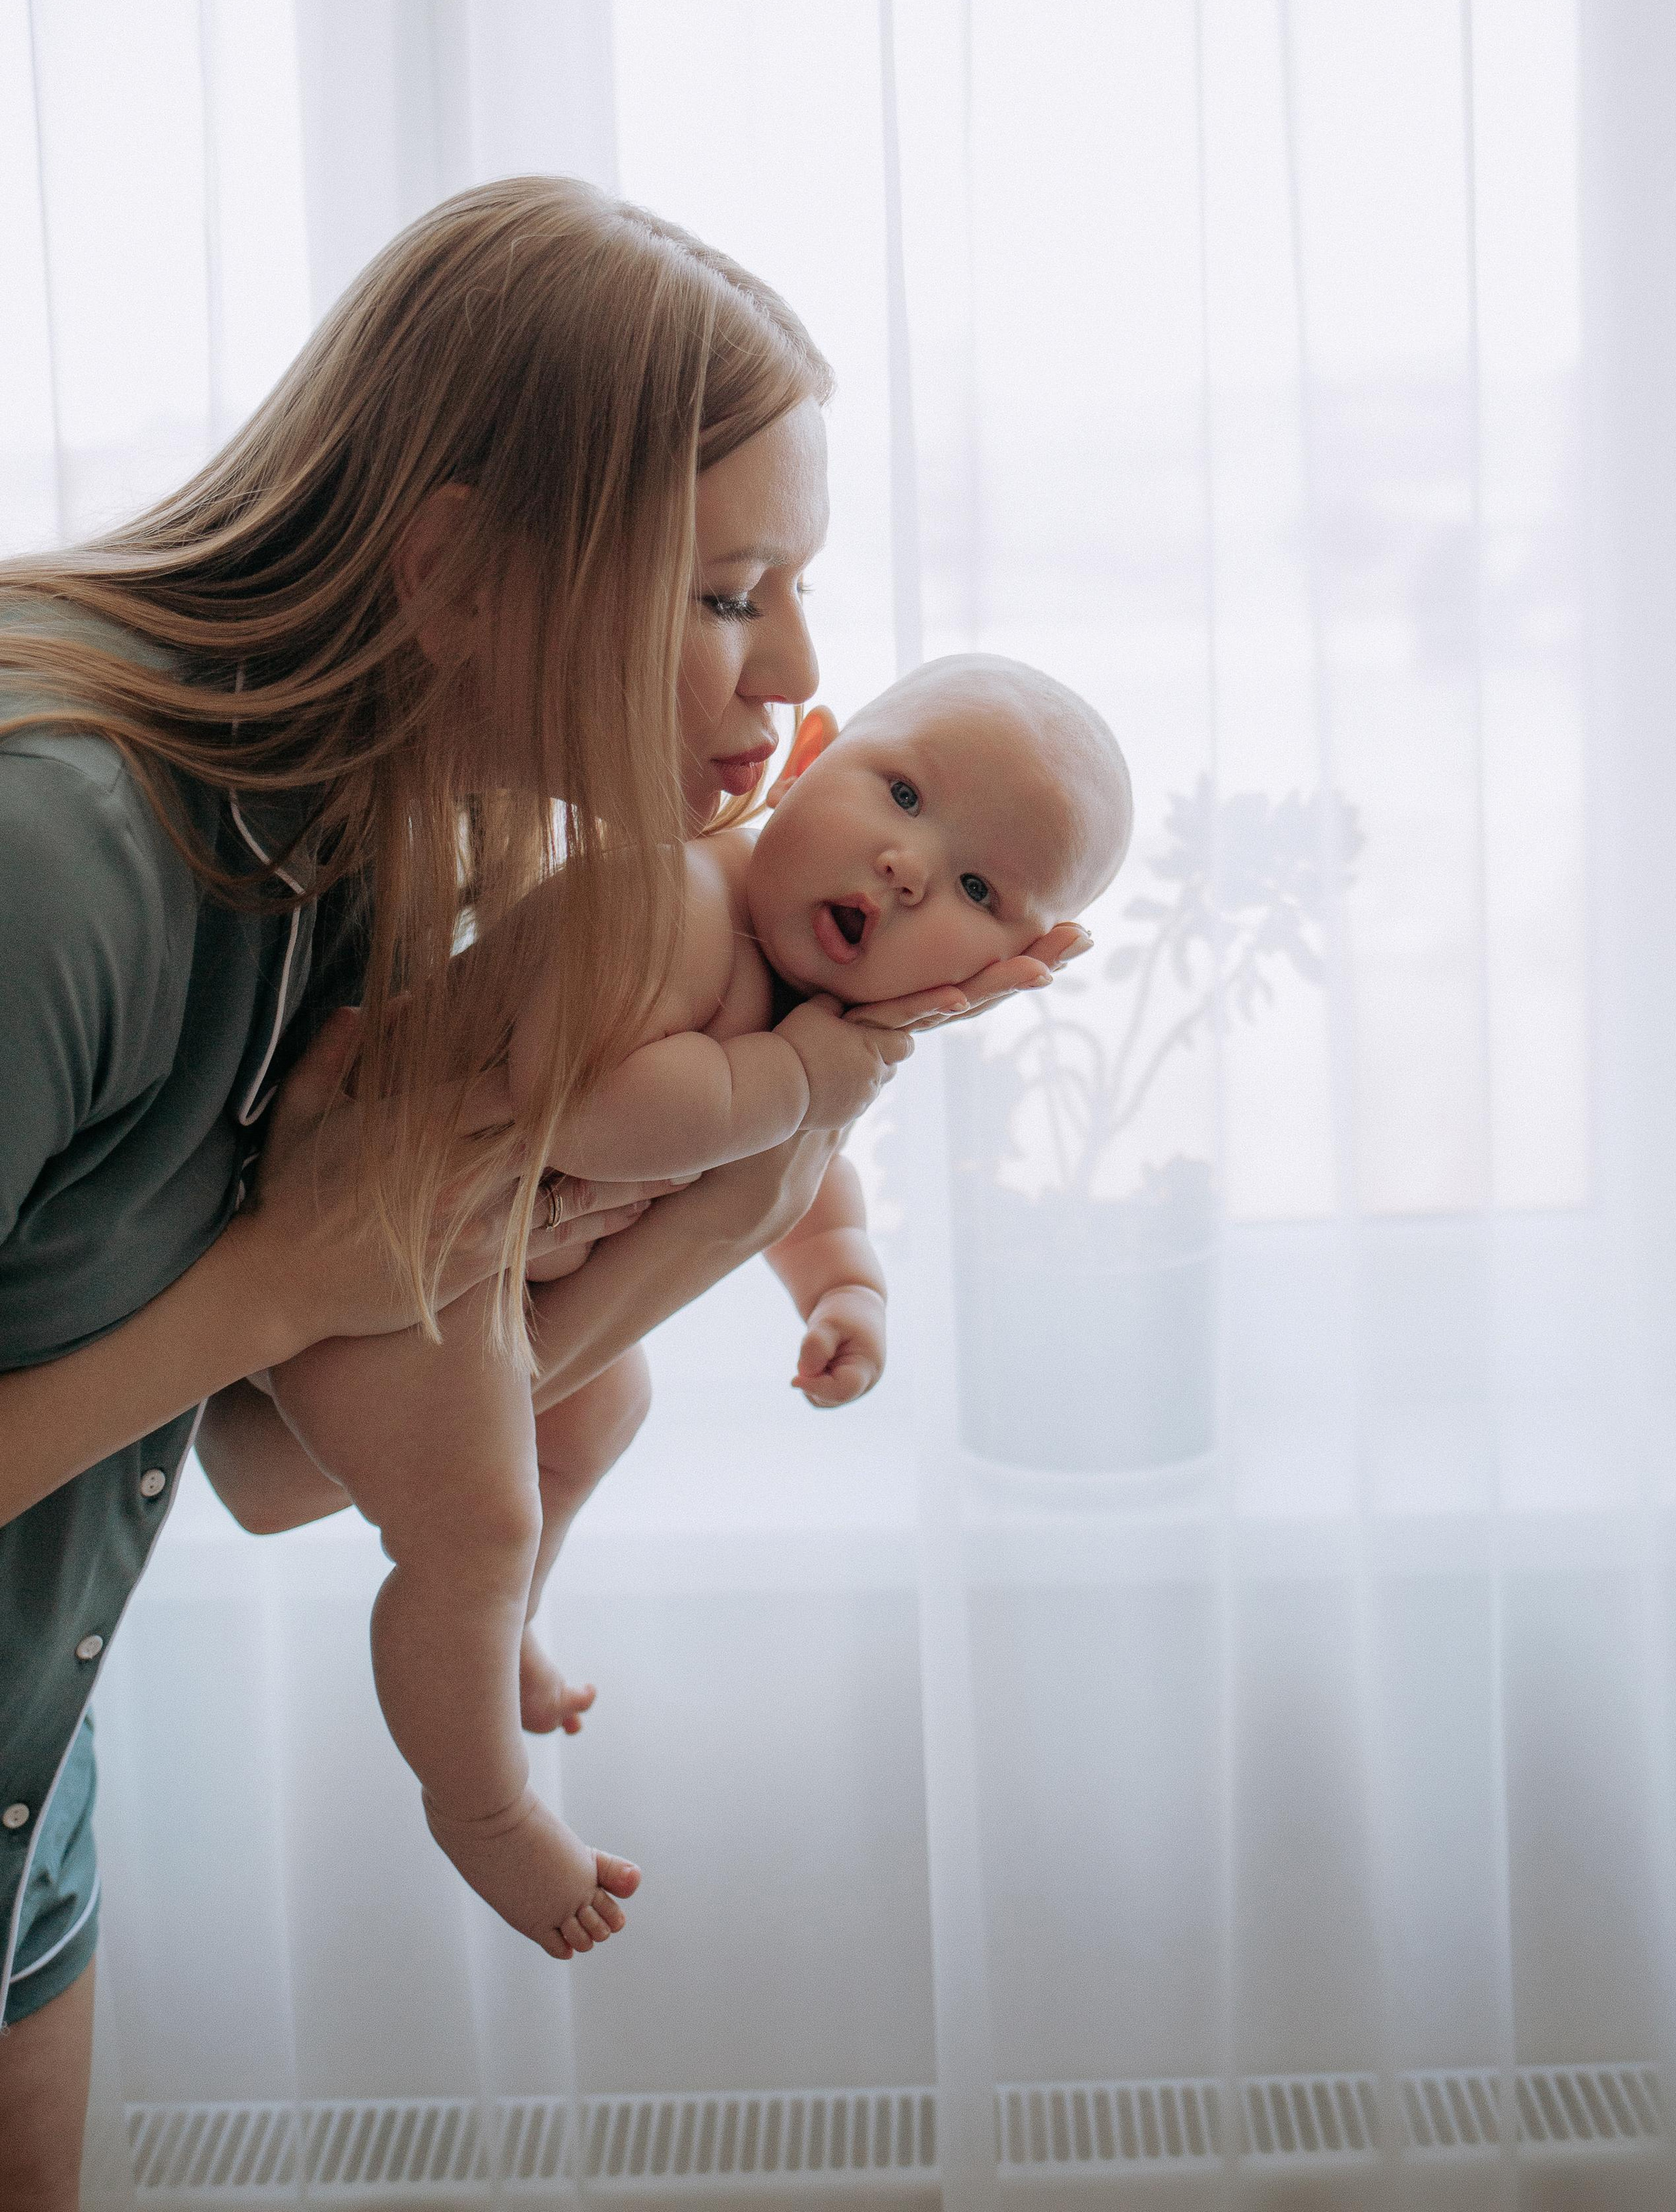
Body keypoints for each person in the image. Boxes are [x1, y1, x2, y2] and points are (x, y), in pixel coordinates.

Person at [0, 177, 1087, 2211]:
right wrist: (270, 1287)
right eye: (730, 590)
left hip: (21, 1793)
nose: (805, 677)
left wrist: (787, 1153)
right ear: (458, 570)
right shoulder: (54, 860)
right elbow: (260, 1347)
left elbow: (275, 1461)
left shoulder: (364, 865)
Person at [246, 657, 1133, 1959]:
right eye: (902, 794)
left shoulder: (804, 1012)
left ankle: (497, 1640)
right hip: (358, 1250)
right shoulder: (670, 901)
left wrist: (845, 1284)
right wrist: (802, 1075)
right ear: (810, 752)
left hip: (473, 1277)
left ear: (998, 967)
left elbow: (806, 1165)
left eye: (980, 891)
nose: (907, 869)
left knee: (608, 1406)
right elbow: (598, 1108)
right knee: (478, 1524)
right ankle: (482, 1808)